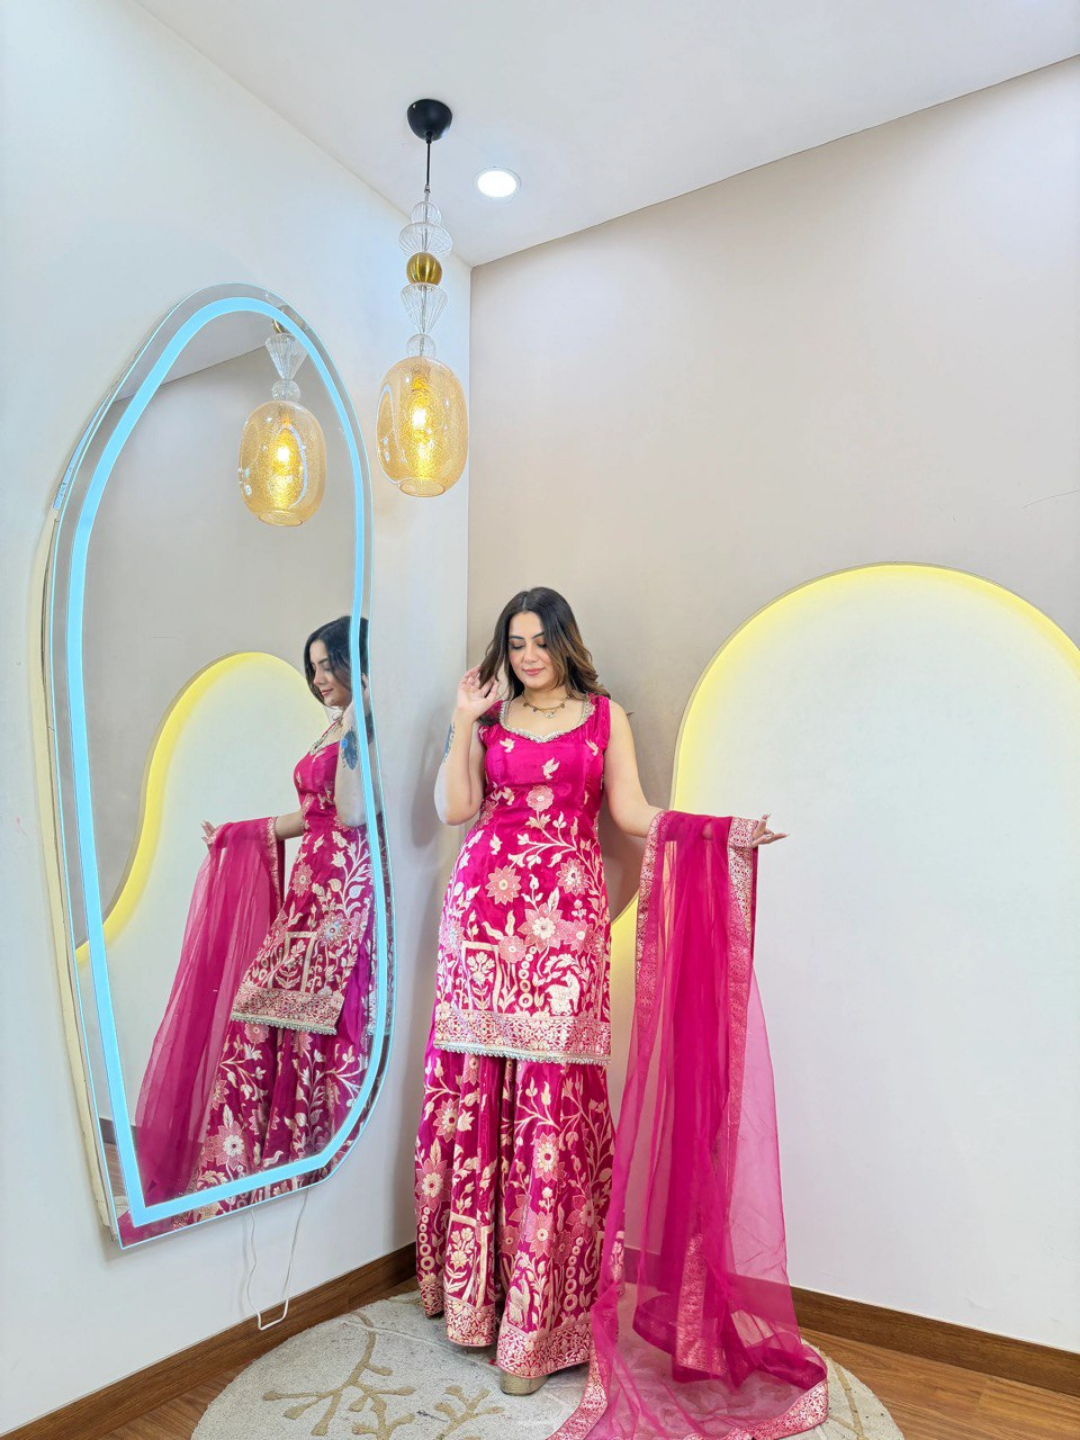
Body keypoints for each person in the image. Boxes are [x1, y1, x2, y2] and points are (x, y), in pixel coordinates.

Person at [414, 588, 783, 1392]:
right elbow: (455, 808)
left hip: (567, 926)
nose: (527, 656)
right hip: (481, 918)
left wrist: (721, 831)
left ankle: (540, 1325)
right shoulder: (488, 721)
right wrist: (461, 720)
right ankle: (475, 1300)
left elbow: (632, 812)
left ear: (564, 641)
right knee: (477, 1094)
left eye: (539, 641)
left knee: (554, 1112)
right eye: (515, 643)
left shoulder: (603, 717)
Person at [127, 616, 376, 1234]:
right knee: (259, 1013)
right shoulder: (336, 727)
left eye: (329, 664)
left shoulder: (370, 727)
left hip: (348, 896)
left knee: (321, 1025)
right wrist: (241, 833)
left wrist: (361, 715)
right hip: (308, 891)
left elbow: (350, 811)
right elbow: (313, 814)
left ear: (359, 663)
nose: (319, 678)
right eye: (313, 667)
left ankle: (308, 1176)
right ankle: (246, 1173)